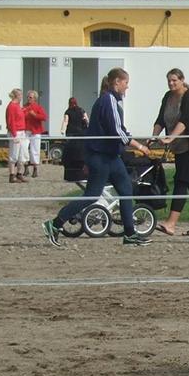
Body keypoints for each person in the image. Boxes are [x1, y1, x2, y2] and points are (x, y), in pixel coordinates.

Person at [42, 67, 152, 247]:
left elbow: (117, 129)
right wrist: (139, 146)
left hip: (110, 156)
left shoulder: (108, 101)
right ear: (117, 82)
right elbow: (117, 131)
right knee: (92, 195)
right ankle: (55, 224)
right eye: (126, 83)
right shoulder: (108, 101)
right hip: (101, 157)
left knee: (126, 190)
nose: (127, 87)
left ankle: (130, 233)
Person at [151, 68, 189, 235]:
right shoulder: (167, 96)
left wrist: (170, 137)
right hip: (180, 146)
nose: (171, 83)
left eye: (174, 80)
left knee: (181, 181)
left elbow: (186, 120)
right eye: (169, 80)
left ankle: (171, 223)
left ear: (182, 80)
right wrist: (154, 136)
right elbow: (160, 119)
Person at [60, 97, 90, 181]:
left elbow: (65, 121)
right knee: (81, 152)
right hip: (81, 134)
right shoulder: (81, 110)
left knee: (71, 151)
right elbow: (87, 119)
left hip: (71, 133)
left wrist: (62, 130)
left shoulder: (68, 112)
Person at [23, 90, 48, 178]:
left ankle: (35, 169)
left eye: (30, 97)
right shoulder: (24, 107)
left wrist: (35, 115)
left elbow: (44, 117)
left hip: (35, 130)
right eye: (28, 97)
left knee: (35, 150)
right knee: (24, 148)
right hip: (26, 130)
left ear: (35, 98)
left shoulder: (38, 107)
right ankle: (26, 167)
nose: (28, 99)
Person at [5, 88, 29, 184]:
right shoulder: (11, 106)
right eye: (20, 95)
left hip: (22, 131)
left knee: (22, 154)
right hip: (15, 132)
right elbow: (11, 121)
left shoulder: (18, 106)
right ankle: (12, 175)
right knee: (14, 154)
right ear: (16, 96)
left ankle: (19, 173)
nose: (21, 97)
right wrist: (14, 135)